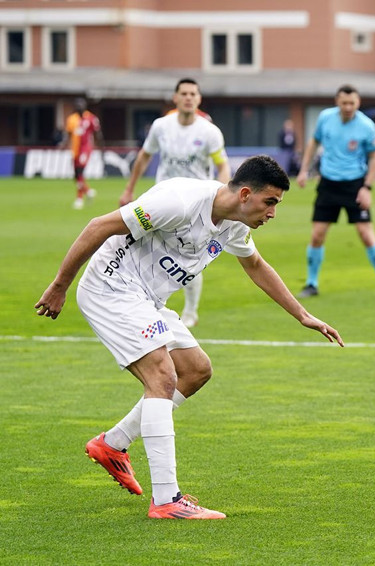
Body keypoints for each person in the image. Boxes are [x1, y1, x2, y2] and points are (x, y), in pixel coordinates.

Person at [35, 155, 344, 519]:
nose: (273, 213)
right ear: (245, 194)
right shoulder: (179, 202)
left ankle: (113, 444)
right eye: (270, 202)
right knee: (162, 376)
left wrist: (303, 315)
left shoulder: (234, 224)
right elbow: (98, 225)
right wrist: (59, 286)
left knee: (196, 370)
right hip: (111, 287)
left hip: (146, 298)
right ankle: (166, 500)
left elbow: (256, 266)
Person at [119, 78, 231, 329]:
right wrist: (129, 188)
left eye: (193, 93)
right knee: (142, 247)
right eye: (184, 93)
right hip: (161, 199)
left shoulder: (209, 131)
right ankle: (143, 301)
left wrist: (221, 194)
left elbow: (223, 165)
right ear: (176, 98)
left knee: (190, 256)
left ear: (199, 99)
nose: (189, 97)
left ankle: (190, 311)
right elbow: (144, 156)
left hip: (196, 205)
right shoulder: (161, 126)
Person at [295, 84, 375, 299]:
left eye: (352, 103)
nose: (348, 107)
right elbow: (314, 142)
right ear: (337, 102)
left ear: (358, 103)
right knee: (317, 235)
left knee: (366, 234)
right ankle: (312, 283)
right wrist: (304, 170)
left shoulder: (367, 126)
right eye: (344, 103)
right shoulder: (325, 118)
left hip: (354, 184)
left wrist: (367, 187)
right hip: (328, 183)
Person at [62, 98, 103, 210]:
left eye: (81, 105)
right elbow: (68, 134)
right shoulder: (71, 119)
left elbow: (97, 133)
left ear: (85, 106)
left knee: (80, 172)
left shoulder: (91, 118)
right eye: (77, 105)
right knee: (76, 176)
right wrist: (63, 144)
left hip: (85, 149)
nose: (79, 107)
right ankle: (88, 191)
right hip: (75, 150)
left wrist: (101, 147)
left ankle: (79, 199)